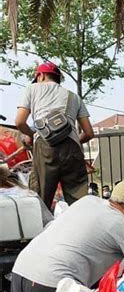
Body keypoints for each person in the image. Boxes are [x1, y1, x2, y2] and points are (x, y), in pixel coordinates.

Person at [15, 61, 94, 210]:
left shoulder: (32, 89)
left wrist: (32, 135)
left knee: (39, 201)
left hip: (45, 148)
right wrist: (74, 141)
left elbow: (19, 122)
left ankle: (40, 232)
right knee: (79, 204)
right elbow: (89, 133)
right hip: (73, 149)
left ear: (41, 75)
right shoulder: (74, 97)